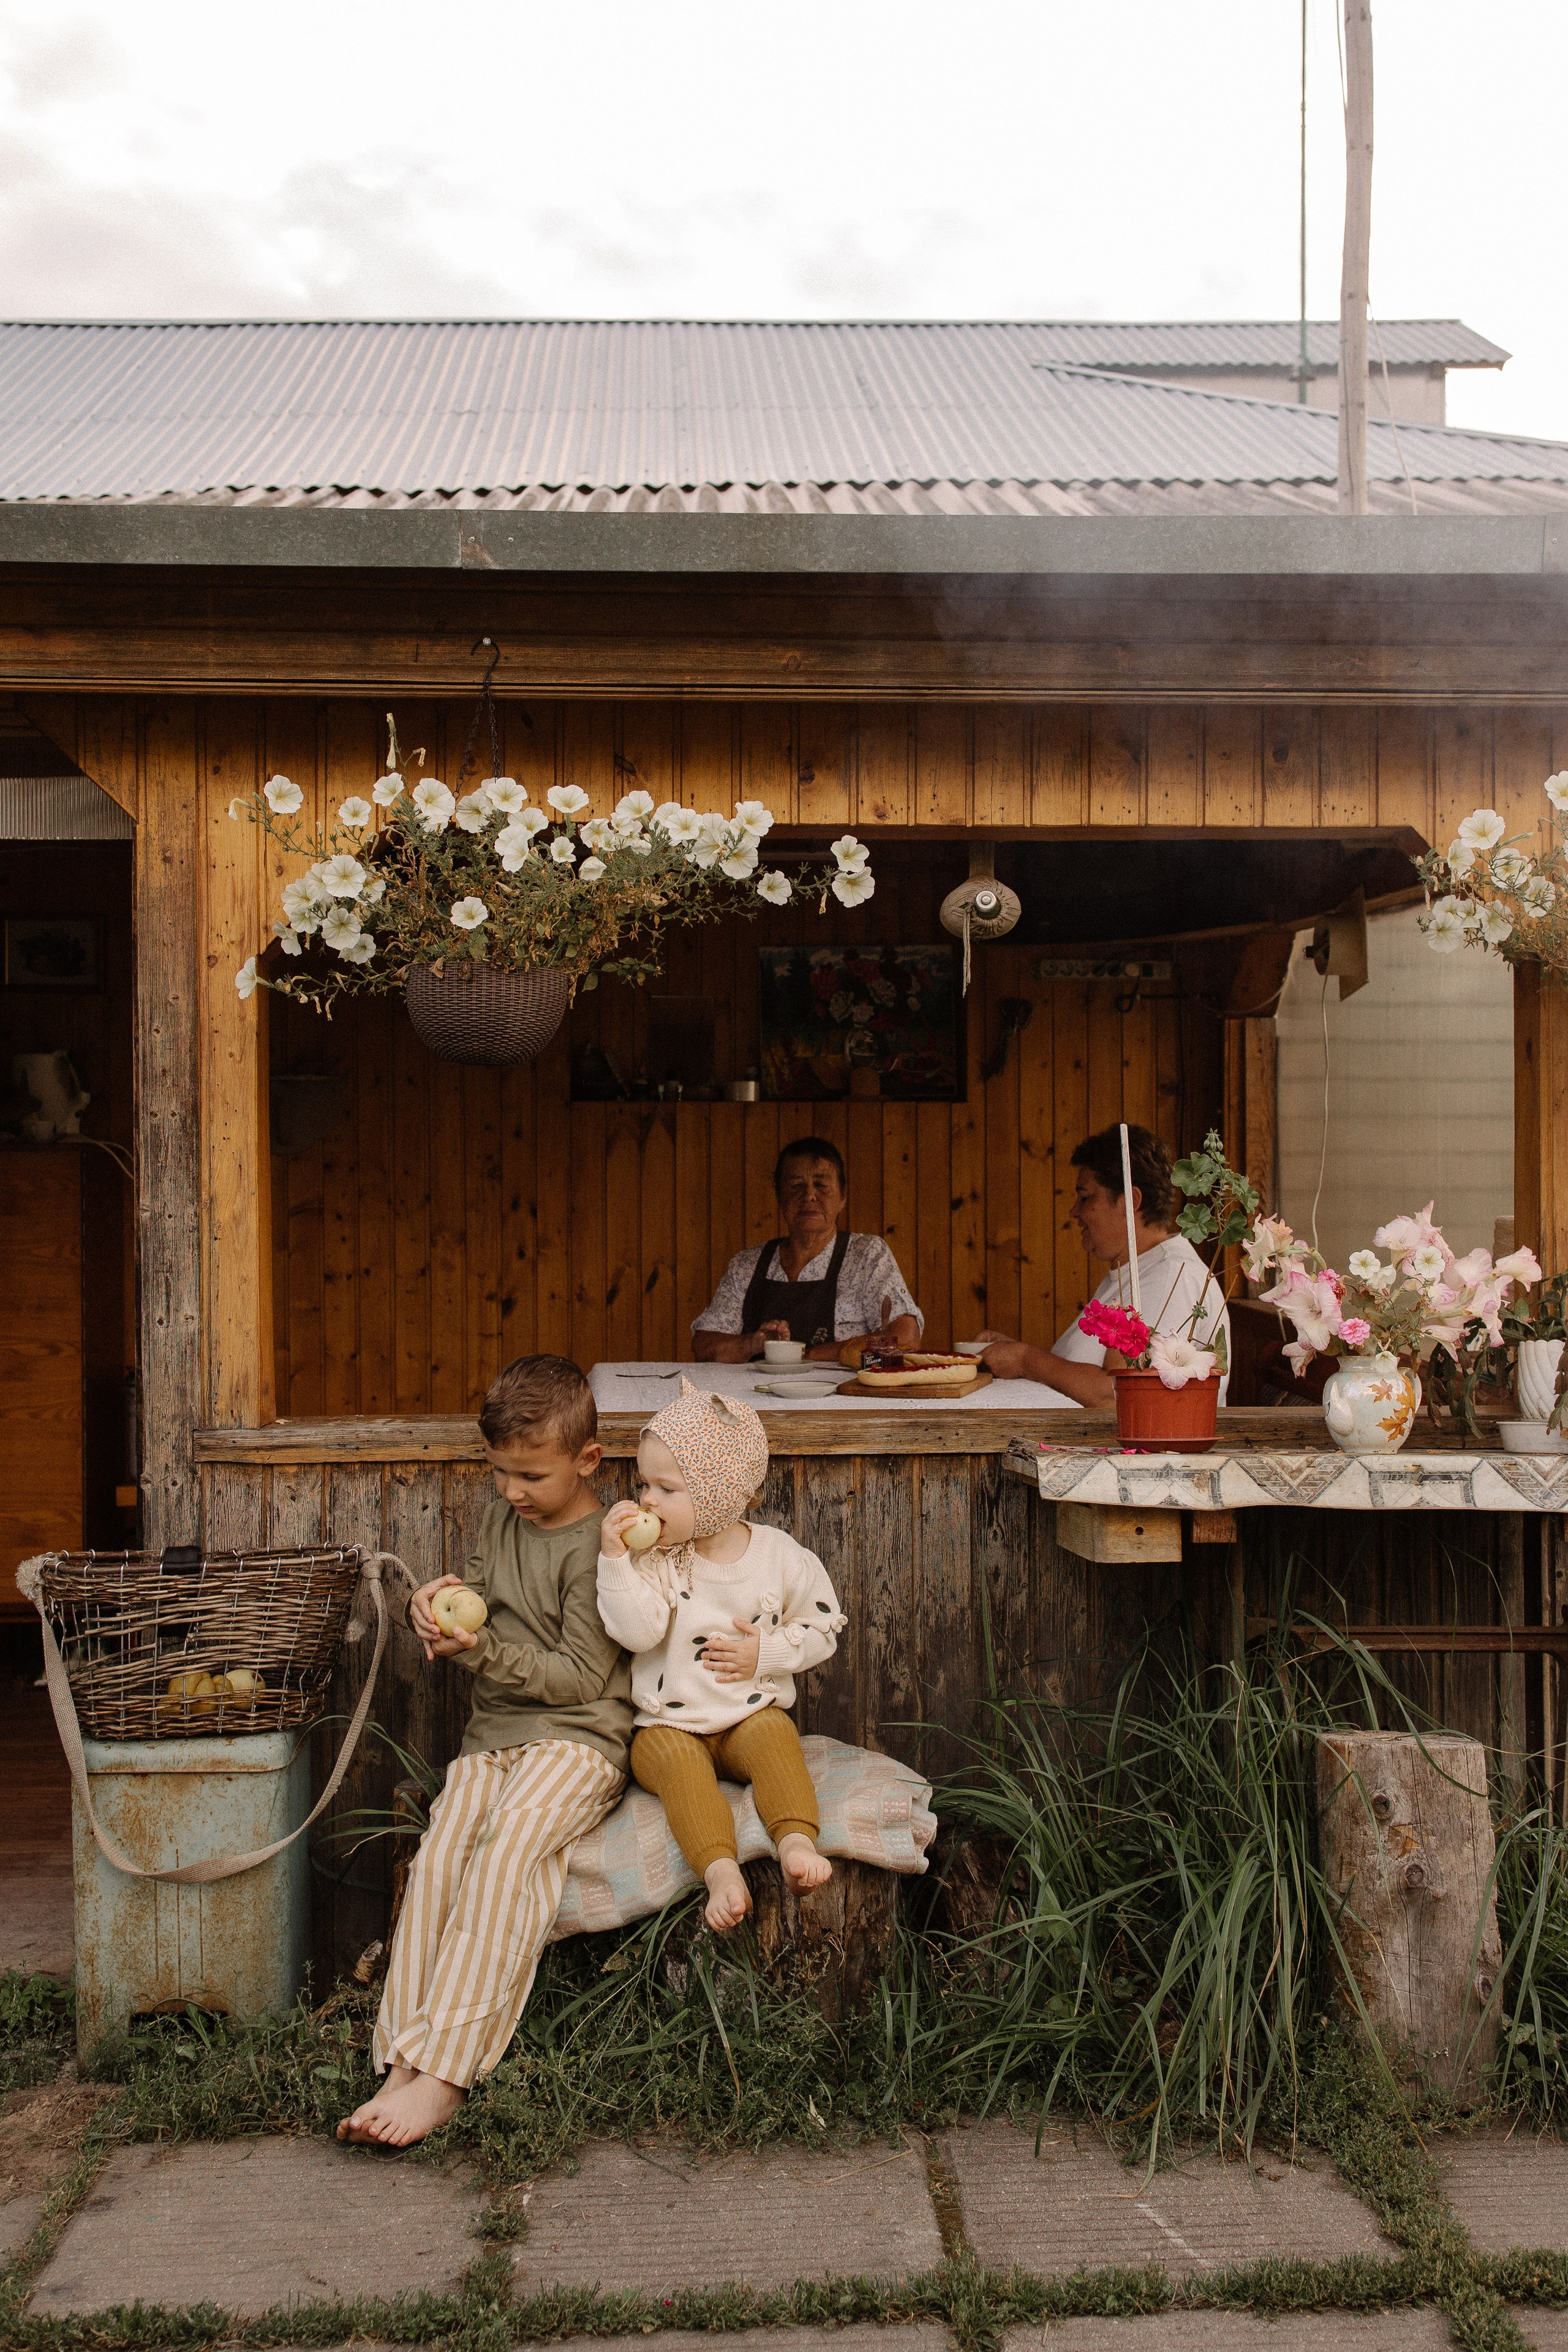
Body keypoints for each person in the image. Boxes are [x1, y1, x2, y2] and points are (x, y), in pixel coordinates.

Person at [337, 1354, 632, 2149]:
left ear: (588, 1460)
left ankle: (445, 2074)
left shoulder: (601, 1547)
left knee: (506, 1860)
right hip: (493, 1735)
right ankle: (403, 2054)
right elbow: (487, 1607)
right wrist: (437, 1607)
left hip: (580, 1740)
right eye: (499, 1472)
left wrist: (473, 1651)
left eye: (530, 1476)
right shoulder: (501, 1518)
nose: (510, 1492)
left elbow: (578, 1678)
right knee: (439, 1859)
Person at [597, 1379, 845, 1931]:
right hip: (666, 1727)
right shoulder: (656, 1559)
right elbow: (636, 1633)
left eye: (666, 1487)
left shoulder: (778, 1556)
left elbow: (825, 1625)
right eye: (644, 1484)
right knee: (685, 1777)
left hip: (748, 1714)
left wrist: (769, 1652)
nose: (647, 1501)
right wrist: (615, 1562)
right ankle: (720, 1870)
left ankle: (797, 1841)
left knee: (778, 1743)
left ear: (717, 1493)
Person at [976, 1124, 1230, 1406]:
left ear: (1131, 1201)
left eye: (1085, 1197)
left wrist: (1026, 1360)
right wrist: (1011, 1354)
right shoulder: (1136, 1271)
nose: (1075, 1211)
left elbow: (1121, 1395)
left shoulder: (1172, 1277)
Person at [692, 1136, 922, 1363]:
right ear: (779, 1196)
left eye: (821, 1185)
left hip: (843, 1398)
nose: (809, 1196)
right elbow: (704, 1346)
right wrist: (754, 1343)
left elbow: (906, 1340)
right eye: (795, 1186)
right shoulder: (747, 1264)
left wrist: (804, 1355)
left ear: (843, 1196)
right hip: (757, 1398)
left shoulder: (866, 1255)